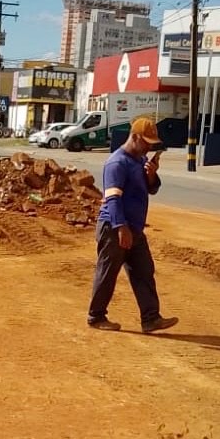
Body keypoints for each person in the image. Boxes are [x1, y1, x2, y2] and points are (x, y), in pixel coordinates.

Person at [87, 116, 179, 334]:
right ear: (135, 137)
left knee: (144, 271)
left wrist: (151, 175)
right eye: (146, 142)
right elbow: (113, 199)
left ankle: (151, 319)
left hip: (134, 228)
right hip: (114, 227)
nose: (148, 146)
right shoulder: (117, 163)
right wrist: (121, 227)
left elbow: (150, 189)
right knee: (108, 273)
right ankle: (96, 316)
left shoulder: (139, 161)